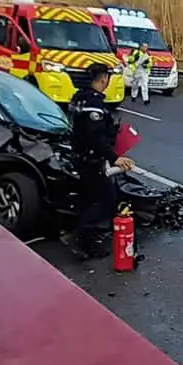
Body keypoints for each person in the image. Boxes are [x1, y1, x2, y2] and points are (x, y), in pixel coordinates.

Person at [62, 63, 135, 259]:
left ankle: (86, 238)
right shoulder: (93, 102)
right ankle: (80, 238)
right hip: (90, 159)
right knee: (105, 199)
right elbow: (95, 136)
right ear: (103, 78)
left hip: (79, 155)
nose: (108, 81)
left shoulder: (78, 97)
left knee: (89, 199)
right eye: (107, 78)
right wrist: (115, 158)